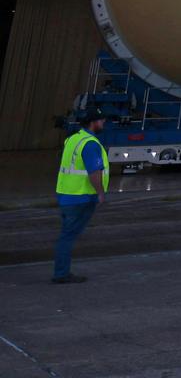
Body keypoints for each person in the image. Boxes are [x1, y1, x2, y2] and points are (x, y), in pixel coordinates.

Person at [52, 107, 109, 284]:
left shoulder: (74, 139)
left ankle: (61, 272)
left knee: (66, 234)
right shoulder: (90, 144)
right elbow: (94, 172)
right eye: (101, 120)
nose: (103, 123)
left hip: (66, 194)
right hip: (81, 197)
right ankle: (61, 274)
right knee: (68, 236)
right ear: (93, 123)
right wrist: (100, 192)